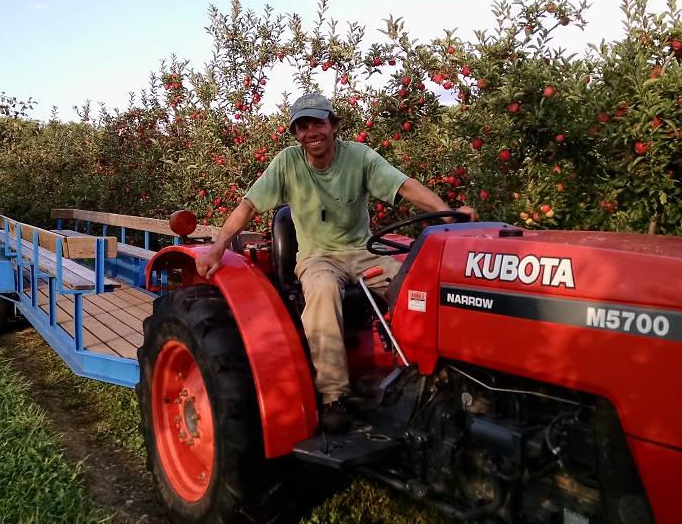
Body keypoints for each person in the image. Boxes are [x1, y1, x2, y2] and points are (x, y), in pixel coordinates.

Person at [195, 92, 477, 432]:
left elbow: (405, 186)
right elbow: (249, 206)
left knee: (417, 287)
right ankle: (333, 397)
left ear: (334, 125)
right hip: (317, 257)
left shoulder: (359, 157)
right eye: (302, 126)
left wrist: (447, 214)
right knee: (323, 291)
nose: (311, 131)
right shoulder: (287, 163)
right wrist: (217, 247)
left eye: (318, 122)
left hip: (363, 252)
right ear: (295, 134)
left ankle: (434, 373)